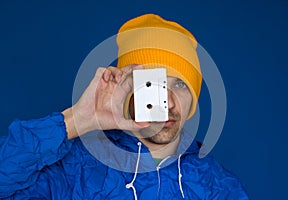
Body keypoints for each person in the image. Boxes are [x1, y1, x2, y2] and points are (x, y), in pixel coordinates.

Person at [0, 14, 249, 199]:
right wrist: (78, 119)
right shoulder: (76, 171)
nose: (169, 101)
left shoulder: (217, 185)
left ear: (194, 98)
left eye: (181, 85)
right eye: (154, 84)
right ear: (129, 89)